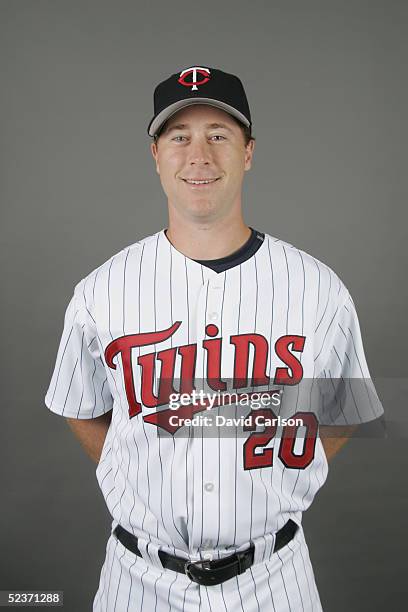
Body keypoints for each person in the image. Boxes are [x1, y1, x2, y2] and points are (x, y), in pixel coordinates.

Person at [45, 65, 384, 611]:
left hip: (274, 578)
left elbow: (346, 408)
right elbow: (79, 405)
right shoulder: (102, 290)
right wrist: (134, 470)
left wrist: (284, 480)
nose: (198, 155)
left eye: (218, 136)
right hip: (138, 580)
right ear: (155, 154)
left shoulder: (317, 289)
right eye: (179, 137)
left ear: (248, 152)